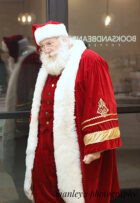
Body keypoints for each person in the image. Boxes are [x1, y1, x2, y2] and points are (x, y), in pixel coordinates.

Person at [24, 21, 122, 203]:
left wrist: (95, 148)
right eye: (42, 46)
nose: (46, 49)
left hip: (78, 148)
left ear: (64, 40)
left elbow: (101, 103)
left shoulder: (90, 61)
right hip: (44, 149)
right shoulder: (48, 68)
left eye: (50, 43)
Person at [2, 35, 41, 201]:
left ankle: (26, 197)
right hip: (23, 127)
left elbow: (28, 97)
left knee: (20, 167)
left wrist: (22, 125)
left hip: (25, 129)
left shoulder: (30, 61)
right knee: (19, 167)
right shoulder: (24, 61)